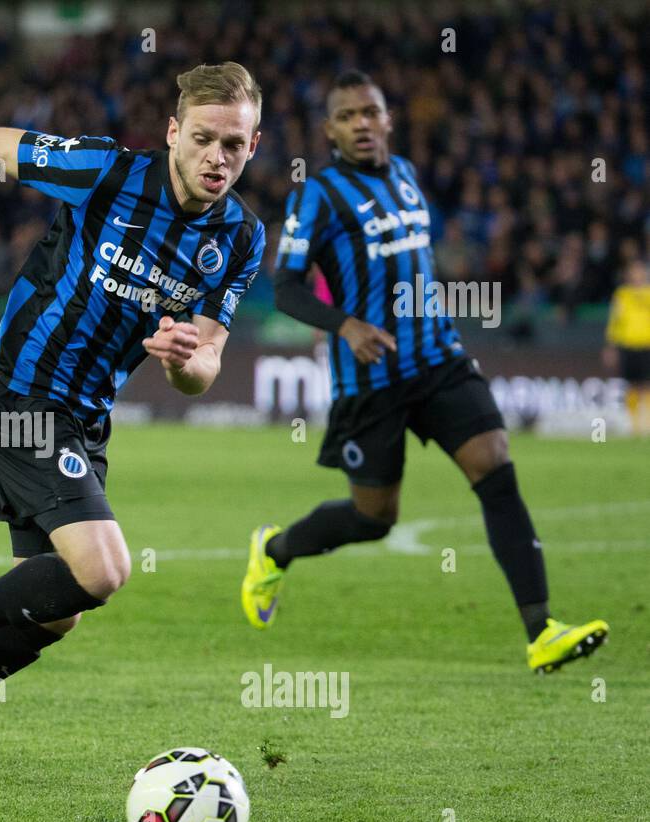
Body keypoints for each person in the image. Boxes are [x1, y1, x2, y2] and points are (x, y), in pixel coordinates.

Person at [0, 63, 267, 789]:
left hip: (84, 419)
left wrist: (181, 358)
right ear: (172, 133)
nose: (216, 158)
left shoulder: (241, 239)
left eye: (234, 144)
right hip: (19, 394)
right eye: (203, 139)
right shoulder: (106, 172)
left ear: (254, 147)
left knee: (51, 612)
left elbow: (205, 367)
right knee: (102, 570)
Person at [243, 71, 608, 674]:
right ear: (330, 130)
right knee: (373, 518)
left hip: (438, 359)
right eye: (348, 115)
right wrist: (347, 326)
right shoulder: (319, 195)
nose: (362, 123)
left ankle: (541, 630)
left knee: (495, 466)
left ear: (388, 119)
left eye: (371, 111)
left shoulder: (409, 177)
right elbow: (284, 288)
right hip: (371, 378)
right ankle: (275, 550)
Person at [602, 259, 650, 436]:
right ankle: (634, 424)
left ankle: (646, 423)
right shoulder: (622, 295)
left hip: (646, 344)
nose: (636, 275)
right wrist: (611, 346)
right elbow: (615, 321)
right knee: (631, 385)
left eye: (639, 272)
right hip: (628, 345)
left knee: (646, 384)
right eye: (633, 272)